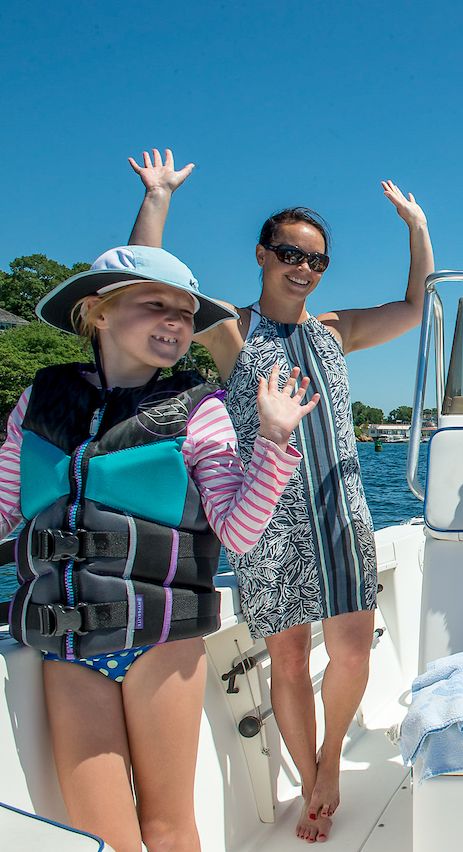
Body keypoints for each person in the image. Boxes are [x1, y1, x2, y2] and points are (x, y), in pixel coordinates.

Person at [126, 148, 434, 843]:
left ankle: (328, 766)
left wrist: (416, 227)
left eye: (318, 260)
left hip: (342, 510)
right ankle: (309, 773)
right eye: (293, 254)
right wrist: (158, 198)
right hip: (270, 522)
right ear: (264, 255)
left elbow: (417, 305)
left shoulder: (334, 331)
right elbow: (149, 282)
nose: (305, 268)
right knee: (290, 659)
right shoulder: (233, 330)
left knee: (352, 648)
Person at [0, 245, 317, 852]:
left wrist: (275, 441)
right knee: (101, 837)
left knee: (168, 831)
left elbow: (238, 531)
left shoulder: (201, 410)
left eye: (185, 312)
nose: (175, 320)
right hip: (68, 649)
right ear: (97, 312)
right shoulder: (38, 401)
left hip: (160, 643)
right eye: (156, 305)